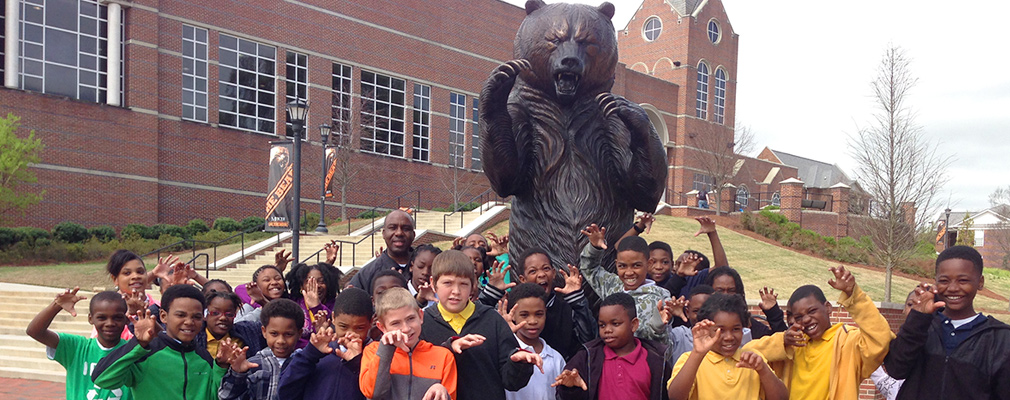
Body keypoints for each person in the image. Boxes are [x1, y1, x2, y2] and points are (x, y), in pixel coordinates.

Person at [743, 266, 893, 400]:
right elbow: (744, 353)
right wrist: (782, 340)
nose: (806, 319)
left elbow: (882, 339)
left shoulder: (847, 341)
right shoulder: (794, 345)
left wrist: (854, 295)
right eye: (799, 317)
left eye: (812, 311)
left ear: (828, 308)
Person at [884, 246, 1010, 399]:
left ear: (980, 282)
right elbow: (896, 369)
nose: (953, 288)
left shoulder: (1000, 338)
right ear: (935, 282)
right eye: (944, 281)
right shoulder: (922, 327)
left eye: (963, 280)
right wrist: (918, 319)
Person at [419, 250, 540, 400]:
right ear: (433, 283)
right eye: (448, 283)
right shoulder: (422, 323)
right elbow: (416, 374)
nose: (456, 291)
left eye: (463, 284)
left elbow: (511, 382)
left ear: (473, 285)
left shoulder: (491, 319)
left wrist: (519, 363)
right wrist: (449, 349)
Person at [92, 284, 227, 399]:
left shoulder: (204, 358)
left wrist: (221, 366)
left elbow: (214, 395)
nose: (189, 322)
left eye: (196, 317)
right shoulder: (145, 355)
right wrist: (138, 344)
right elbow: (102, 378)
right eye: (180, 315)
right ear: (163, 316)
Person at [478, 246, 596, 360]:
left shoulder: (566, 310)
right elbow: (477, 326)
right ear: (523, 279)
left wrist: (577, 301)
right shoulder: (511, 311)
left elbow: (590, 340)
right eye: (533, 271)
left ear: (553, 273)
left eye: (546, 269)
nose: (541, 274)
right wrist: (491, 294)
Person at [666, 293, 788, 400]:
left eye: (736, 329)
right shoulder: (690, 359)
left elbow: (782, 398)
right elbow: (675, 396)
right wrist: (697, 354)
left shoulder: (753, 358)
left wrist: (763, 370)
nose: (729, 337)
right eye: (720, 330)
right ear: (707, 329)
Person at [553, 292, 671, 400]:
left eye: (615, 324)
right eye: (602, 325)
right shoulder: (587, 357)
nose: (607, 330)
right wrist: (570, 388)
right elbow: (567, 395)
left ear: (634, 324)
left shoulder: (656, 359)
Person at [26, 288, 133, 400]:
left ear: (126, 319)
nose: (110, 323)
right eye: (102, 317)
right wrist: (56, 305)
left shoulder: (134, 352)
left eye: (117, 318)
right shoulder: (77, 348)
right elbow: (34, 331)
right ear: (90, 319)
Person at [360, 287, 457, 400]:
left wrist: (442, 390)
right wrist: (386, 349)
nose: (406, 328)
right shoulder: (373, 351)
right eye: (396, 323)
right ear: (382, 327)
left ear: (420, 316)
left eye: (411, 318)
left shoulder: (444, 356)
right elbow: (373, 393)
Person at [580, 224, 670, 345]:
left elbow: (662, 347)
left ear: (649, 264)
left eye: (636, 265)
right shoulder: (613, 285)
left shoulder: (660, 299)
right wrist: (594, 248)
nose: (629, 273)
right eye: (622, 266)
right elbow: (589, 268)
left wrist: (657, 327)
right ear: (616, 264)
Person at [279, 287, 374, 400]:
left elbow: (378, 393)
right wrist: (310, 355)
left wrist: (356, 364)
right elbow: (285, 393)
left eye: (360, 328)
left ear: (371, 323)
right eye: (343, 326)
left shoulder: (376, 357)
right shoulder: (316, 354)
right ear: (333, 318)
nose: (349, 334)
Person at [218, 298, 304, 400]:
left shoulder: (303, 363)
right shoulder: (253, 364)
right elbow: (226, 397)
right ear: (264, 331)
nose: (281, 341)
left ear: (299, 334)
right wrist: (237, 374)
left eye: (288, 334)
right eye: (274, 334)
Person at [498, 283, 566, 400]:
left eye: (539, 314)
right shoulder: (504, 352)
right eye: (524, 315)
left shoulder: (556, 358)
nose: (533, 321)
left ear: (545, 312)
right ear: (513, 315)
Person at [704, 266, 787, 339]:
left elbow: (782, 343)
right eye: (720, 290)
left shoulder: (751, 325)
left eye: (731, 290)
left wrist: (773, 313)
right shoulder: (701, 323)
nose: (726, 295)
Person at [347, 210, 416, 294]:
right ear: (383, 233)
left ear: (413, 234)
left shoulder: (426, 267)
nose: (399, 233)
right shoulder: (366, 275)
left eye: (405, 229)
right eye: (393, 228)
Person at [870, 290, 915, 400]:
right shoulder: (897, 342)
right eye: (910, 304)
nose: (916, 310)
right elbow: (893, 388)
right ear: (903, 309)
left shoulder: (936, 346)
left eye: (922, 304)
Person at [196, 290, 263, 359]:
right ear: (205, 314)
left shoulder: (247, 332)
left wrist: (263, 302)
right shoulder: (194, 337)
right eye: (215, 313)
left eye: (229, 314)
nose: (223, 318)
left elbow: (271, 324)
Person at [657, 285, 715, 363]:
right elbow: (660, 347)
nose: (702, 315)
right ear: (687, 312)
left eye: (708, 311)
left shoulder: (723, 336)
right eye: (696, 311)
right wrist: (660, 323)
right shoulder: (679, 335)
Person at [286, 263, 338, 348]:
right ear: (301, 286)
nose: (317, 286)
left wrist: (316, 306)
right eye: (309, 282)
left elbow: (337, 326)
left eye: (321, 281)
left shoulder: (335, 305)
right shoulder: (293, 303)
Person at [408, 244, 441, 308]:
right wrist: (419, 300)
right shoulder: (400, 292)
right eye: (420, 266)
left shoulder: (441, 297)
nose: (425, 272)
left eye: (432, 269)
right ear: (411, 266)